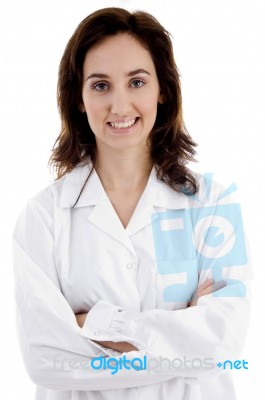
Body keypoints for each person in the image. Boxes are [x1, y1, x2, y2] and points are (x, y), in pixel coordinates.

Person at [12, 7, 251, 400]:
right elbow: (45, 359)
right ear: (78, 98)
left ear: (163, 89)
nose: (120, 106)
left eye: (136, 82)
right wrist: (184, 338)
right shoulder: (43, 217)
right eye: (101, 85)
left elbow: (222, 347)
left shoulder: (212, 205)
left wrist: (95, 326)